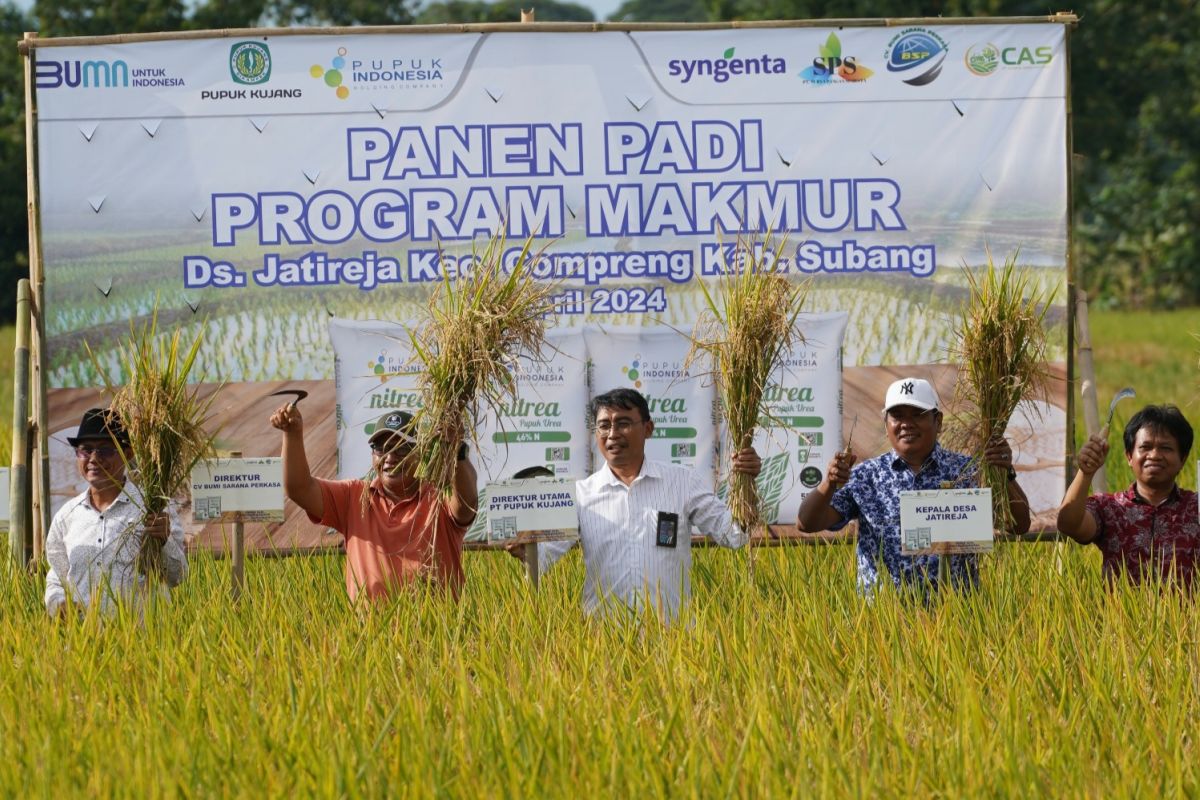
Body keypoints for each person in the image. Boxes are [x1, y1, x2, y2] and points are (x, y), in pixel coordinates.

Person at [527, 387, 761, 623]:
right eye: (604, 425)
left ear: (648, 429)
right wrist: (525, 550)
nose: (612, 434)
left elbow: (733, 534)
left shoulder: (682, 481)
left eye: (623, 423)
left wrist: (747, 483)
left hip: (673, 637)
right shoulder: (581, 495)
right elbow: (543, 558)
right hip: (604, 640)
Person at [796, 377, 1030, 597]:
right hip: (884, 623)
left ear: (937, 422)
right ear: (886, 424)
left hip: (956, 621)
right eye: (897, 416)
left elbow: (1018, 525)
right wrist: (829, 484)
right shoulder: (866, 477)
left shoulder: (967, 471)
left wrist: (1004, 473)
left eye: (918, 414)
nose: (906, 424)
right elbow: (807, 523)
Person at [271, 405, 477, 602]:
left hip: (436, 634)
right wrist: (292, 433)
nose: (389, 457)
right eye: (381, 449)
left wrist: (456, 449)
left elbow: (466, 504)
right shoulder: (354, 497)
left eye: (402, 448)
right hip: (372, 634)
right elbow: (299, 489)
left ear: (421, 453)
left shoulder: (438, 499)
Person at [45, 408, 187, 616]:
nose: (93, 458)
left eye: (105, 450)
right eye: (85, 450)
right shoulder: (67, 516)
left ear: (127, 454)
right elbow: (56, 579)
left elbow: (178, 576)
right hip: (84, 642)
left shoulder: (152, 509)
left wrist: (165, 540)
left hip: (143, 642)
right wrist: (59, 604)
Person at [1057, 404, 1200, 587]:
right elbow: (1068, 524)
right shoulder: (1109, 507)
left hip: (1187, 616)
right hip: (1120, 616)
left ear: (1183, 459)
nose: (1154, 455)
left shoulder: (1196, 507)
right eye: (1145, 447)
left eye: (1166, 448)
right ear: (1129, 457)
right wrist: (1085, 473)